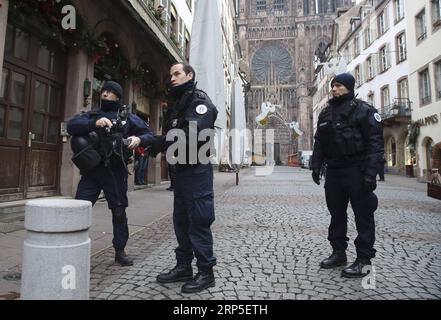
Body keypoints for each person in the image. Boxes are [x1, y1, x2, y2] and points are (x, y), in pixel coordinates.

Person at [67, 81, 154, 266]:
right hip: (93, 171)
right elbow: (72, 126)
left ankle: (120, 250)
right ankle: (72, 246)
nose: (105, 94)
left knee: (119, 212)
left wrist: (138, 138)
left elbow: (150, 135)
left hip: (115, 171)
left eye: (111, 92)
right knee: (80, 209)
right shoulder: (93, 114)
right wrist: (94, 123)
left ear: (117, 96)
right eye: (104, 90)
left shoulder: (127, 118)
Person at [150, 63, 218, 293]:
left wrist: (156, 142)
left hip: (197, 169)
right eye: (171, 75)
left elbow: (189, 136)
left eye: (177, 73)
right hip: (180, 170)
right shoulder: (178, 104)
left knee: (198, 219)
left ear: (190, 75)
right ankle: (183, 267)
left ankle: (206, 272)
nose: (172, 78)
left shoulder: (200, 102)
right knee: (181, 220)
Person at [311, 73, 384, 278]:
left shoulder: (364, 111)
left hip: (357, 170)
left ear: (349, 88)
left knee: (363, 215)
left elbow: (375, 145)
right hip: (334, 171)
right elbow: (319, 143)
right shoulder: (325, 113)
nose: (334, 89)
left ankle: (363, 259)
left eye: (339, 86)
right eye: (333, 85)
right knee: (336, 213)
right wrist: (316, 166)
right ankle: (339, 252)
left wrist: (370, 174)